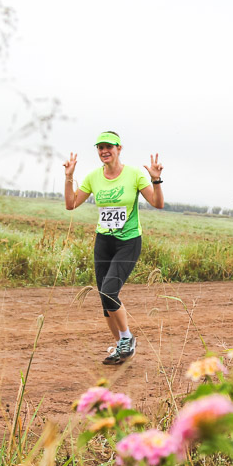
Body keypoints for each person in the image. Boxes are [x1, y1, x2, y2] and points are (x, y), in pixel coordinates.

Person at [63, 131, 164, 364]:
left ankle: (127, 338)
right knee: (105, 299)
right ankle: (121, 346)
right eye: (100, 148)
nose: (104, 151)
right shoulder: (93, 177)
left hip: (128, 241)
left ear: (119, 148)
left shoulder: (134, 174)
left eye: (109, 146)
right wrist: (69, 177)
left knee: (109, 291)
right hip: (104, 242)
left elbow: (157, 203)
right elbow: (71, 204)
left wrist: (156, 180)